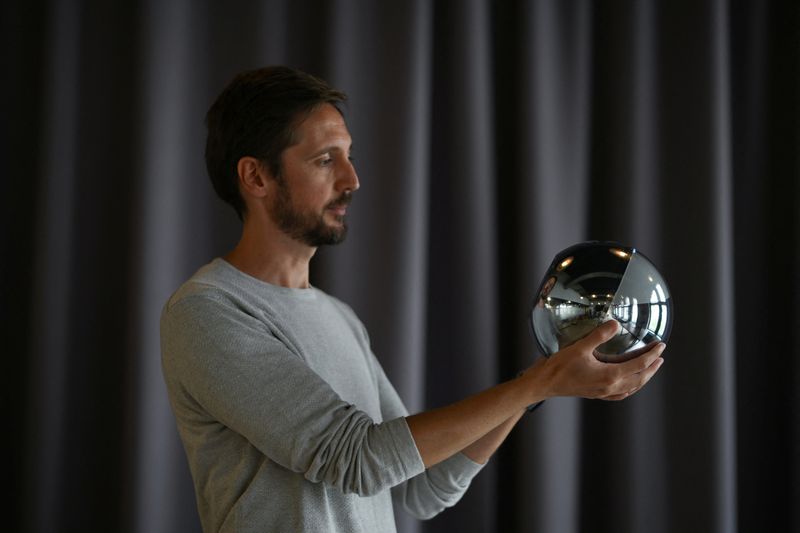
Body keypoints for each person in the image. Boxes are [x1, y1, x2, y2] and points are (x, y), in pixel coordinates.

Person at [160, 66, 665, 532]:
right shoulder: (208, 311)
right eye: (324, 160)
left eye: (349, 156)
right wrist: (538, 383)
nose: (351, 180)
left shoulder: (341, 319)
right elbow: (355, 459)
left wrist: (538, 386)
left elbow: (421, 489)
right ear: (256, 177)